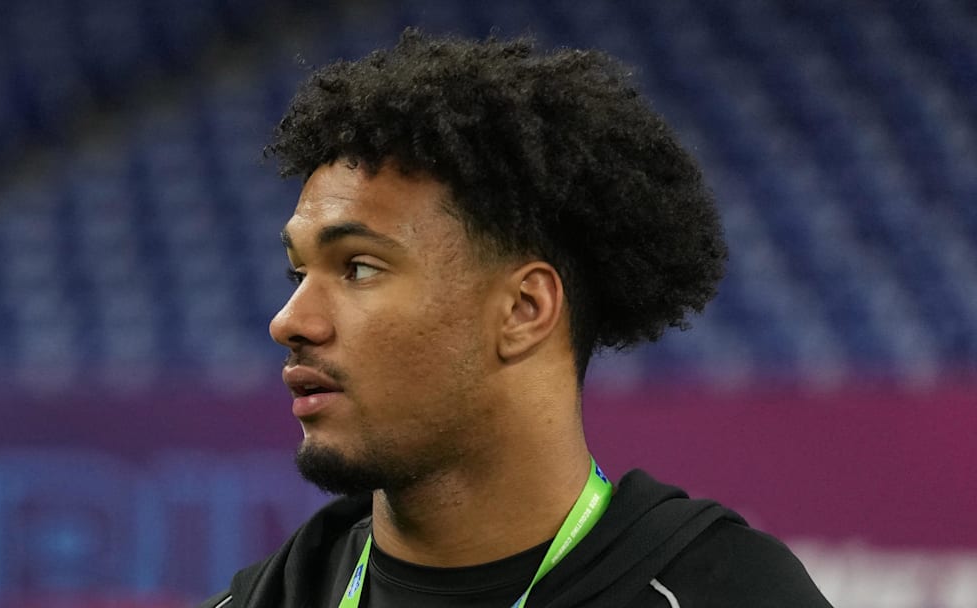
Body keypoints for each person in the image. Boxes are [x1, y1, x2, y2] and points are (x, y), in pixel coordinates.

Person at [202, 29, 832, 608]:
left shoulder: (723, 594)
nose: (289, 321)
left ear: (524, 310)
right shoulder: (266, 598)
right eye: (297, 273)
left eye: (359, 268)